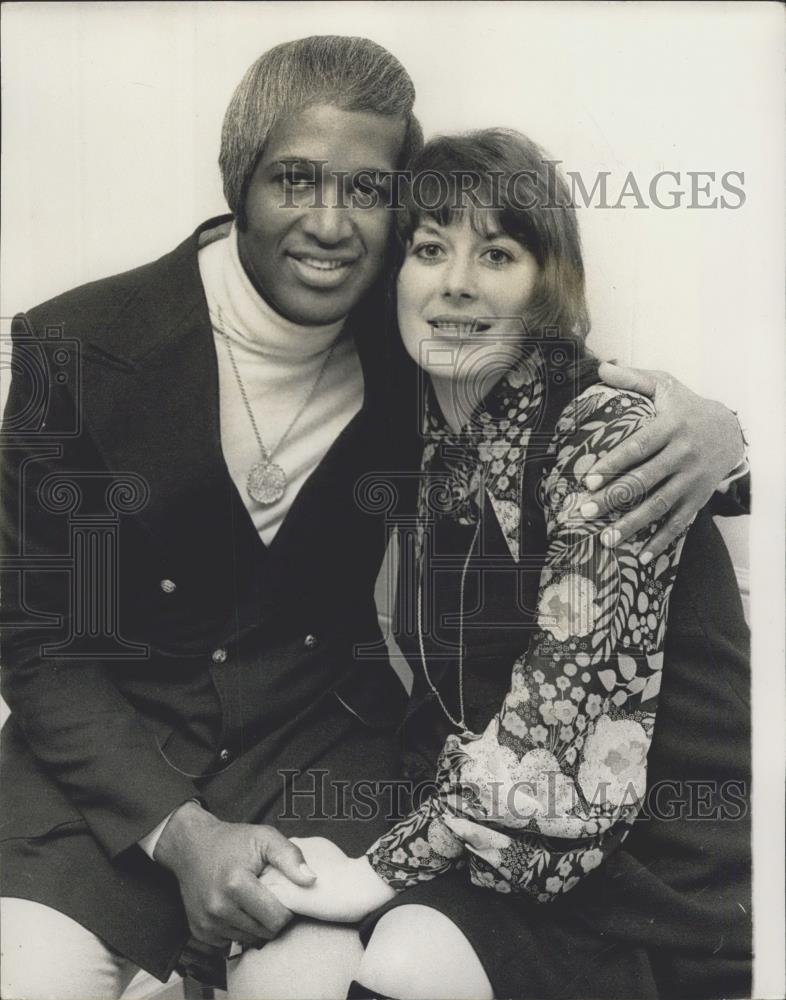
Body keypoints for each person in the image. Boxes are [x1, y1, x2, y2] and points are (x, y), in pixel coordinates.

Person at [0, 37, 748, 1000]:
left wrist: (716, 429)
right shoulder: (73, 348)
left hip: (317, 775)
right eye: (295, 180)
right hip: (101, 796)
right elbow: (39, 641)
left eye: (367, 190)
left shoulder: (420, 335)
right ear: (240, 183)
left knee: (319, 985)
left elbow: (567, 399)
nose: (329, 223)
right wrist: (180, 836)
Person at [255, 130, 751, 1000]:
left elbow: (565, 721)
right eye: (430, 248)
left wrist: (379, 870)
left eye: (497, 252)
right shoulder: (436, 432)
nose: (456, 282)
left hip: (648, 866)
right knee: (284, 950)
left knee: (402, 954)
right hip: (497, 828)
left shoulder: (608, 437)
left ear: (545, 284)